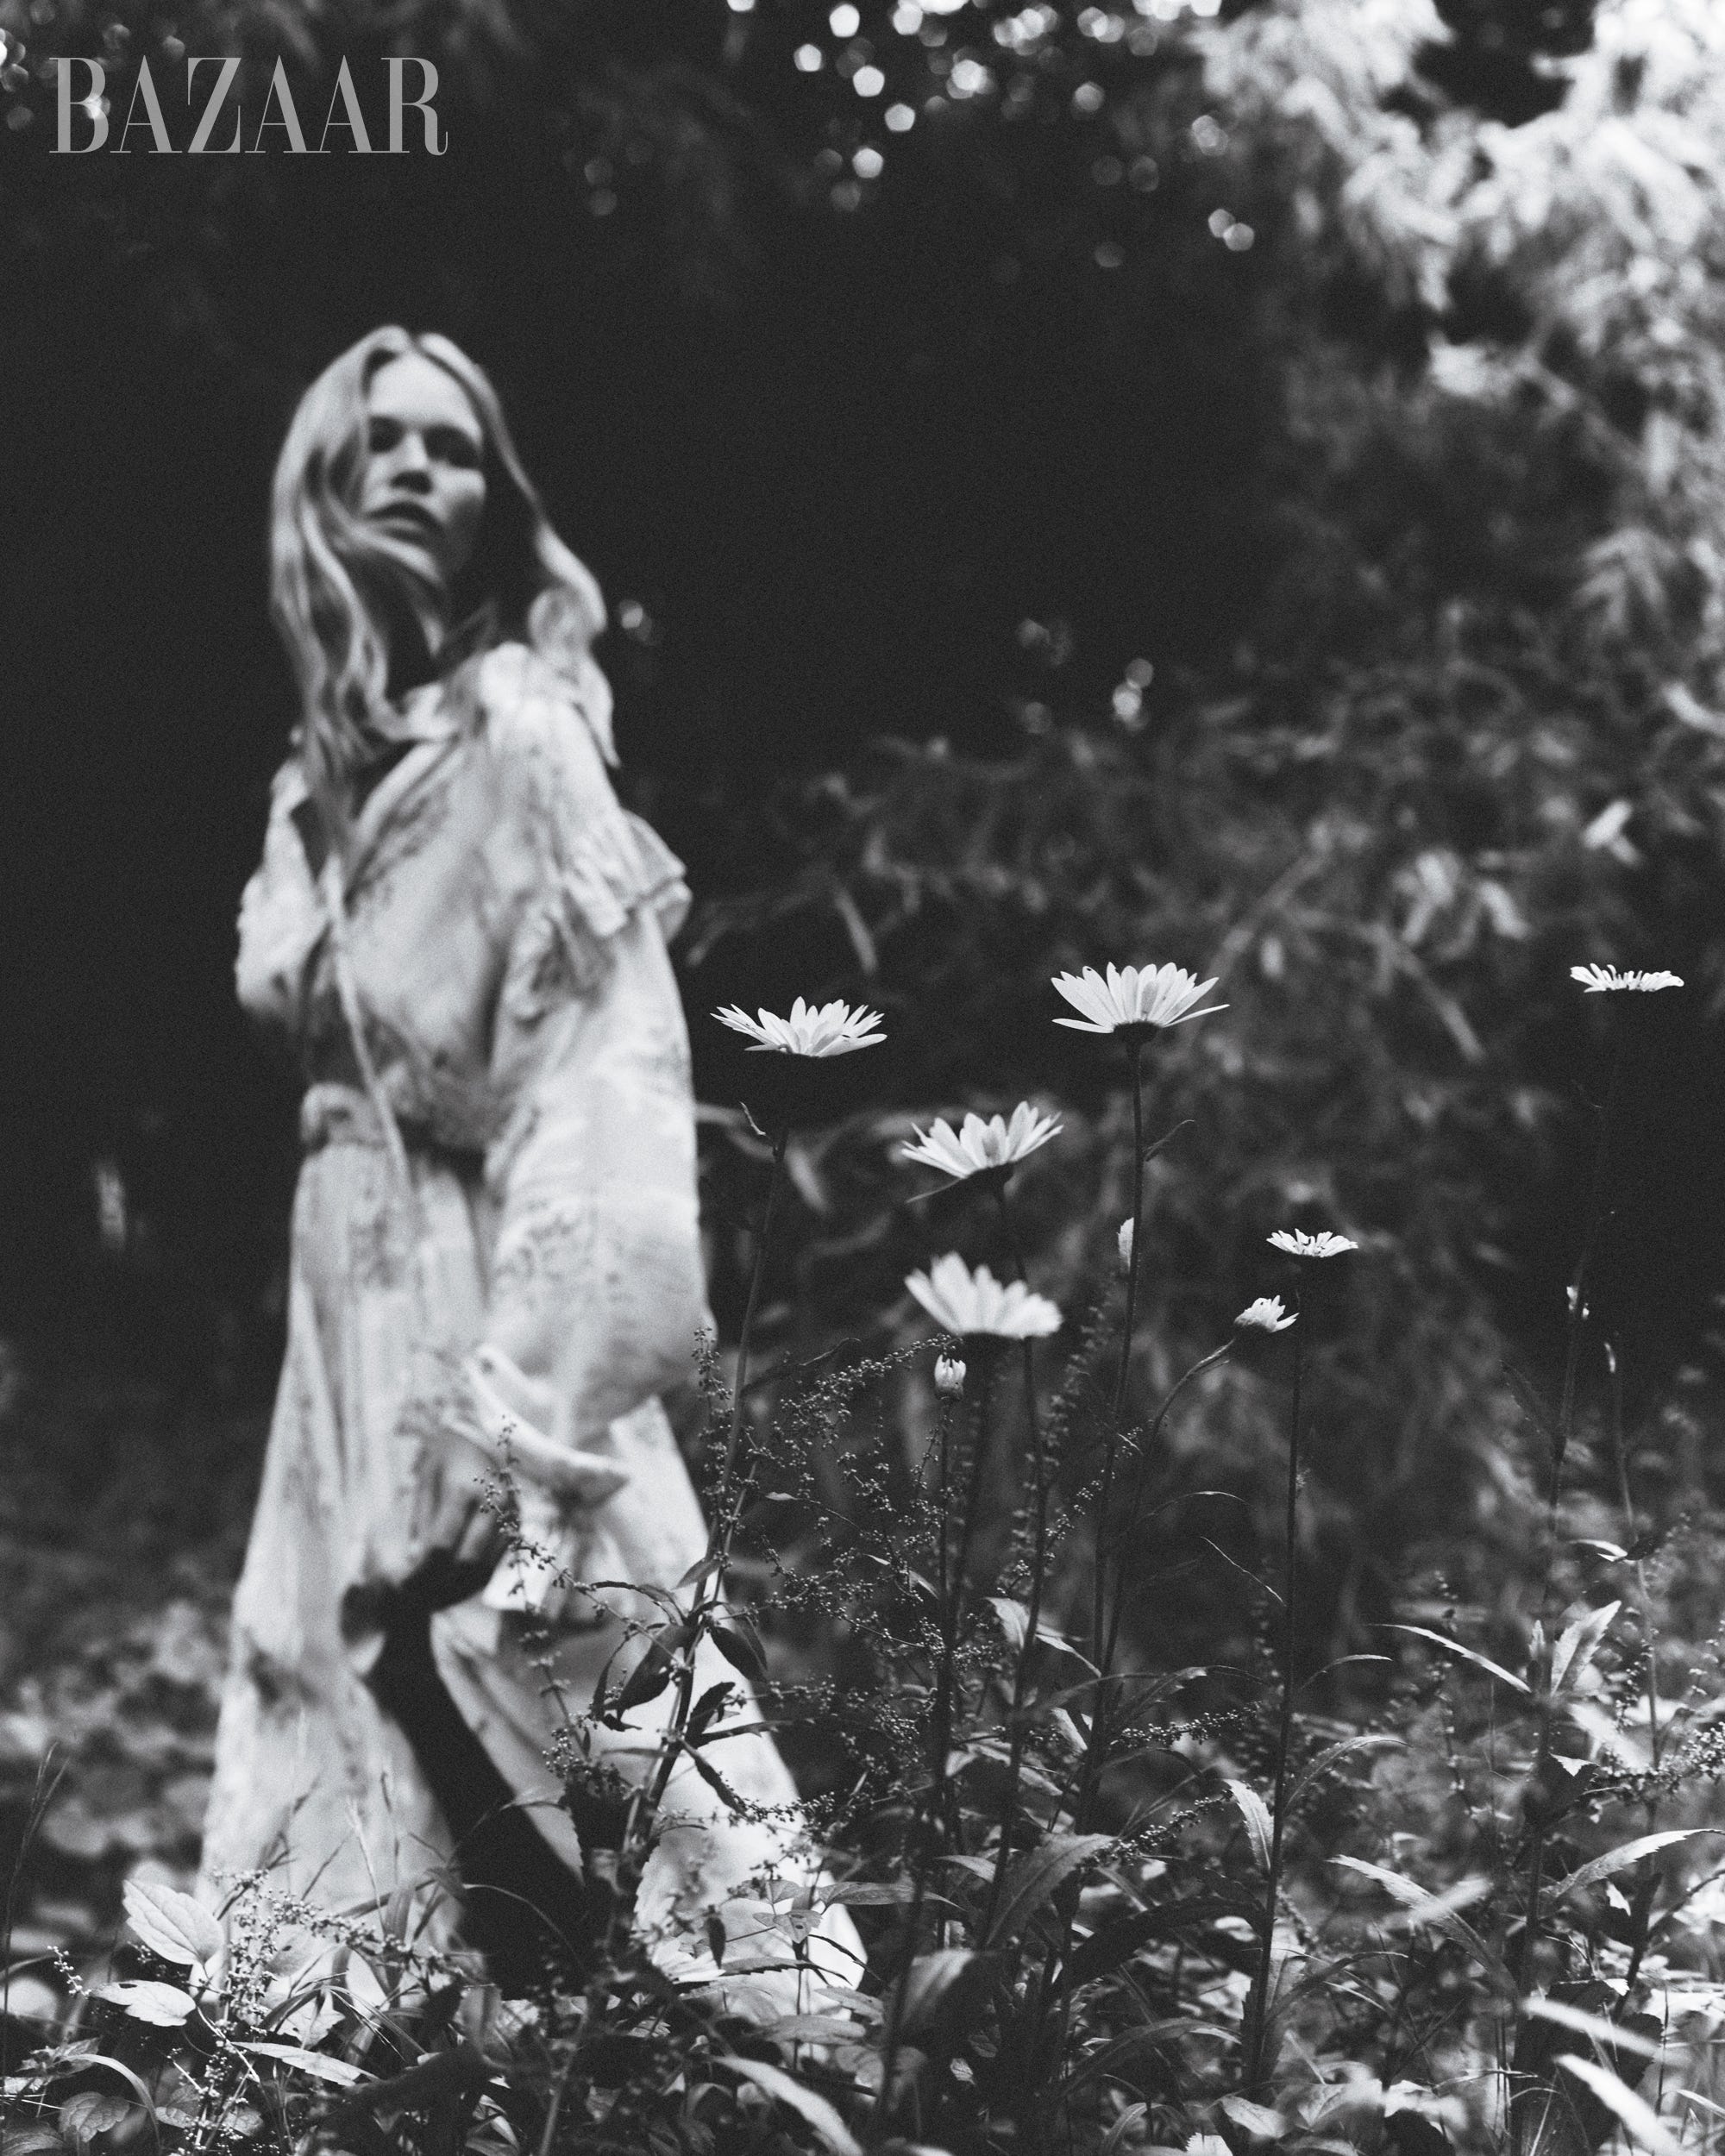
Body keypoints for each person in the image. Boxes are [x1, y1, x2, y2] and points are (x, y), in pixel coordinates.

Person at [198, 328, 854, 2000]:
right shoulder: (315, 778)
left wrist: (532, 1418)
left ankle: (754, 2072)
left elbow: (607, 1077)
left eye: (454, 445)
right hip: (338, 1312)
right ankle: (368, 2058)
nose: (418, 467)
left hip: (489, 1298)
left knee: (589, 1691)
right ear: (321, 485)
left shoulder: (521, 729)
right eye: (382, 439)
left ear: (497, 500)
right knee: (337, 1686)